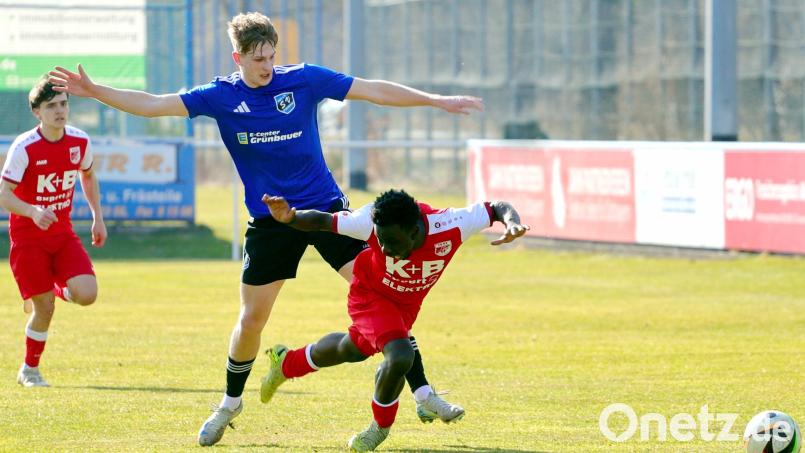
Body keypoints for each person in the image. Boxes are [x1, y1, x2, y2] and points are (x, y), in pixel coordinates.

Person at [48, 11, 484, 446]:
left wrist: (435, 100)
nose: (267, 66)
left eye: (272, 56)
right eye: (258, 59)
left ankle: (423, 394)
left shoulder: (304, 80)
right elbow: (153, 104)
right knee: (252, 319)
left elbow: (371, 90)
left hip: (326, 212)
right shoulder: (220, 96)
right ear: (237, 57)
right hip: (270, 221)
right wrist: (96, 91)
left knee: (384, 296)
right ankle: (229, 404)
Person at [259, 189, 529, 451]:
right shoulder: (368, 220)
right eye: (380, 240)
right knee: (400, 355)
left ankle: (287, 363)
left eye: (392, 241)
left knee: (351, 349)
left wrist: (512, 222)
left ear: (414, 231)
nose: (385, 248)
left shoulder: (450, 225)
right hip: (370, 295)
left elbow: (496, 208)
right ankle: (380, 427)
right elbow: (324, 221)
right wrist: (291, 218)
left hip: (405, 306)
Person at [0, 76, 107, 388]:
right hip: (28, 241)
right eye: (51, 106)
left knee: (87, 294)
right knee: (44, 308)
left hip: (62, 235)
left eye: (63, 104)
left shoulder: (79, 141)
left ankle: (56, 288)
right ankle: (29, 370)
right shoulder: (25, 147)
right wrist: (33, 211)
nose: (60, 111)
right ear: (38, 112)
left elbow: (88, 175)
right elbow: (4, 194)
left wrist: (97, 217)